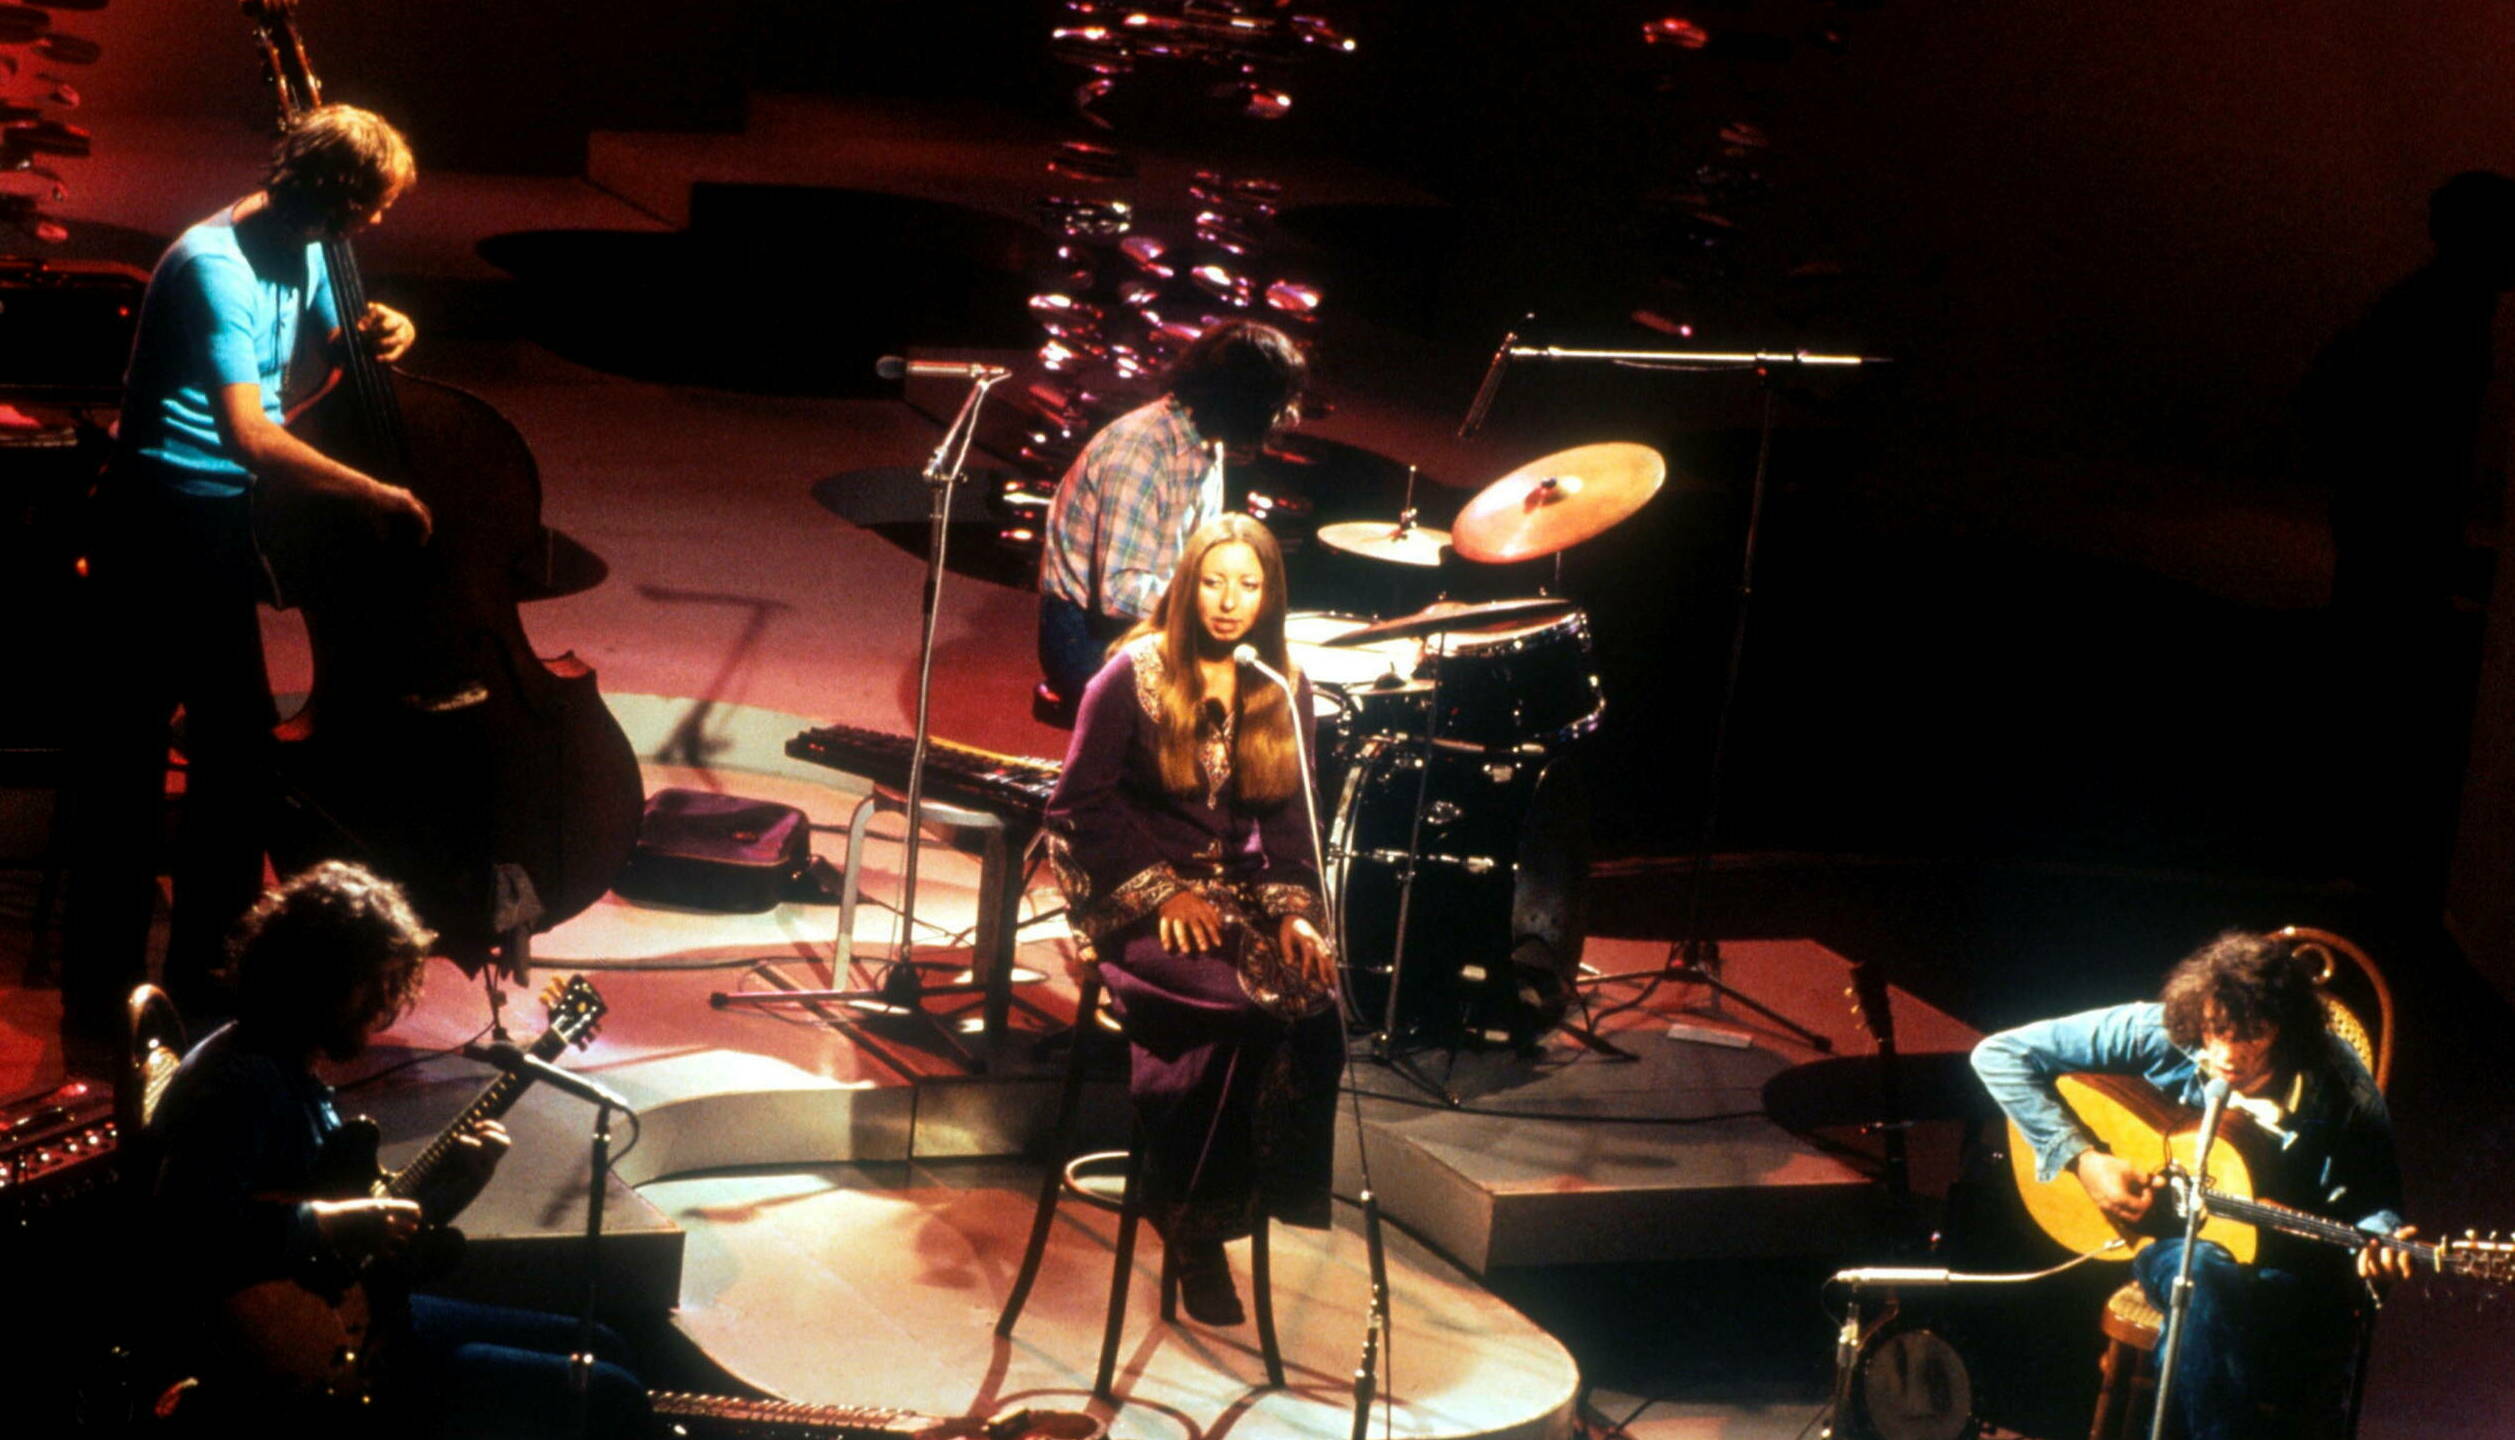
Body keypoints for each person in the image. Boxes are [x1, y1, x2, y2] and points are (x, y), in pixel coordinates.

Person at [63, 104, 434, 1042]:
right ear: (329, 199)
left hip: (221, 527)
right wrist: (372, 494)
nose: (375, 227)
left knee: (238, 764)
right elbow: (250, 433)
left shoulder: (304, 242)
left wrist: (383, 328)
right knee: (125, 772)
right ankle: (99, 1001)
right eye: (371, 209)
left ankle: (206, 978)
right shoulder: (211, 268)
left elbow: (340, 339)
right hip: (151, 528)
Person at [147, 860, 648, 1438]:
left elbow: (362, 1227)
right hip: (295, 1359)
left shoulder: (289, 1060)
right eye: (373, 987)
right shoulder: (240, 1081)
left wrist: (458, 1181)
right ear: (317, 978)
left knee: (606, 1346)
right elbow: (184, 1231)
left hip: (364, 1316)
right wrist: (331, 1225)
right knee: (609, 1392)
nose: (384, 1008)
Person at [1041, 513, 1342, 1325]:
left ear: (1268, 597)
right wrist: (1160, 892)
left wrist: (1294, 915)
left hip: (1236, 899)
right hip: (1135, 898)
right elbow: (1078, 804)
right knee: (1237, 1005)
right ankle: (1190, 1225)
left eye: (1247, 585)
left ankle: (1259, 1196)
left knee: (1316, 1006)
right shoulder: (1130, 674)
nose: (1228, 601)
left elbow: (1289, 822)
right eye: (1214, 581)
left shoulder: (1279, 682)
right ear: (1186, 584)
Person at [1971, 931, 2414, 1440]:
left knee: (2207, 1310)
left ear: (2287, 1031)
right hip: (2175, 1247)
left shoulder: (2340, 1083)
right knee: (2199, 1275)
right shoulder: (2165, 1029)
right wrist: (2085, 1161)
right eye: (2214, 1030)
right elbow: (1998, 1055)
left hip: (2284, 1264)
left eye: (2250, 1034)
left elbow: (2378, 1200)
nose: (2225, 1052)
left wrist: (2383, 1241)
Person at [2299, 170, 2515, 912]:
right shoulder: (2441, 316)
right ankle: (2363, 861)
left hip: (2390, 526)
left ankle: (2356, 854)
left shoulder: (2432, 308)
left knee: (2376, 681)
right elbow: (2422, 447)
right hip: (2396, 530)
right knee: (2385, 689)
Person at [1036, 319, 1309, 713]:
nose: (1288, 417)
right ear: (1241, 401)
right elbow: (1121, 591)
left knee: (1269, 687)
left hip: (1157, 625)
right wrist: (1211, 614)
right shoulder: (1139, 455)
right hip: (1089, 637)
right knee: (1214, 711)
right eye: (1277, 405)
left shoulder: (1206, 441)